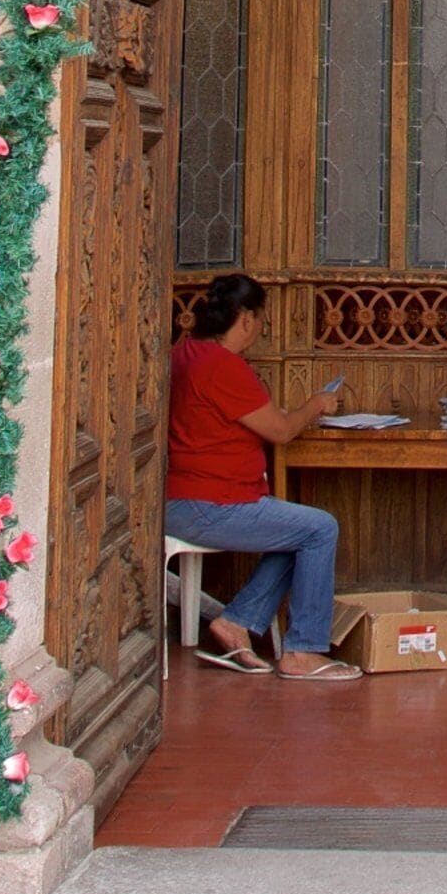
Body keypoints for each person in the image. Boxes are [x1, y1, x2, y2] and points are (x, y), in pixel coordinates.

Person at [162, 273, 361, 680]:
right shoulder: (222, 367)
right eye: (262, 320)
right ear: (247, 319)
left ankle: (237, 622)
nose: (262, 329)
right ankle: (303, 652)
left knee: (300, 532)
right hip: (208, 504)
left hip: (183, 499)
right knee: (320, 529)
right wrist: (317, 403)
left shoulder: (182, 354)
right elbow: (282, 431)